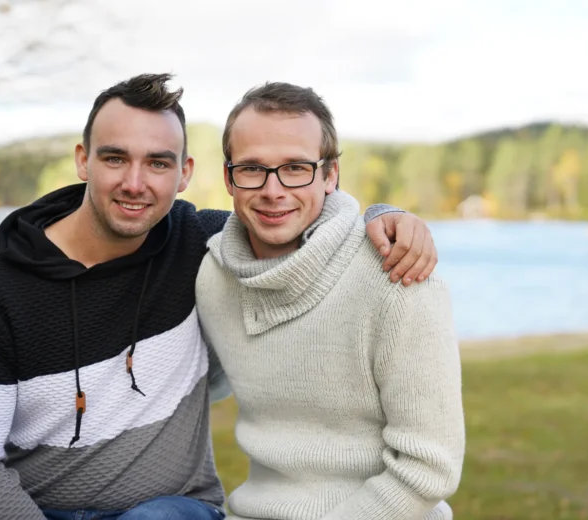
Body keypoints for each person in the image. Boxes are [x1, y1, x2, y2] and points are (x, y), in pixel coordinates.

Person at [0, 73, 440, 520]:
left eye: (158, 163)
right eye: (115, 158)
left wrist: (386, 217)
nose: (135, 183)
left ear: (185, 174)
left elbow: (301, 218)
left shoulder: (204, 245)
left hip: (169, 510)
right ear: (84, 161)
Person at [195, 82, 466, 520]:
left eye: (296, 168)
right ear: (229, 178)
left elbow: (427, 470)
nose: (273, 189)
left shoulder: (398, 276)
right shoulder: (214, 275)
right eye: (252, 168)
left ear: (330, 174)